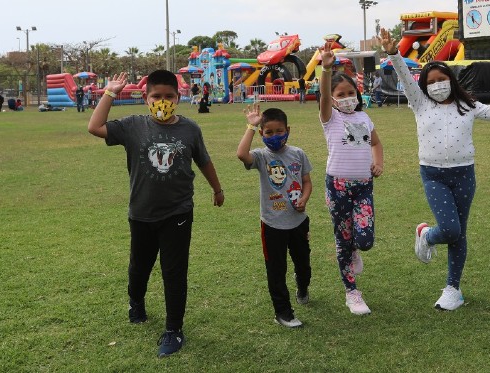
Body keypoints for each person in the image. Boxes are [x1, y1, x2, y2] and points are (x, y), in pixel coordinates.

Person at [378, 28, 490, 311]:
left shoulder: (468, 105)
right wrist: (393, 52)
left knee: (460, 233)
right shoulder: (419, 104)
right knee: (448, 228)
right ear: (424, 87)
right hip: (433, 174)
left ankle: (453, 288)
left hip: (464, 175)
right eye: (431, 82)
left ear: (451, 80)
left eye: (441, 79)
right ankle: (426, 235)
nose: (437, 85)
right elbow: (405, 78)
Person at [87, 70, 225, 357]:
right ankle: (136, 302)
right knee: (139, 267)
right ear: (146, 98)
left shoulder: (190, 129)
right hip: (141, 213)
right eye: (156, 97)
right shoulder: (132, 126)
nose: (163, 102)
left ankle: (174, 329)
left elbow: (204, 160)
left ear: (179, 97)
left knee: (174, 272)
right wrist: (110, 93)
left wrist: (217, 188)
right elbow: (95, 127)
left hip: (178, 212)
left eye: (169, 96)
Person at [319, 41, 384, 315]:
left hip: (363, 186)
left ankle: (357, 246)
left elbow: (376, 143)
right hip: (337, 186)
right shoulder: (330, 118)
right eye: (340, 94)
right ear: (333, 99)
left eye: (350, 93)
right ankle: (352, 292)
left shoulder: (364, 117)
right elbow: (322, 96)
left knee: (365, 239)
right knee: (342, 238)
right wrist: (326, 69)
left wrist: (378, 162)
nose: (347, 97)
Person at [237, 104, 313, 328]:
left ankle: (303, 285)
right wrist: (251, 125)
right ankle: (283, 312)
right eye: (268, 132)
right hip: (272, 225)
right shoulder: (261, 156)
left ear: (288, 130)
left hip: (298, 222)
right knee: (276, 269)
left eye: (279, 131)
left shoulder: (298, 154)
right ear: (262, 134)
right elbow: (241, 154)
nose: (274, 136)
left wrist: (304, 199)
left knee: (304, 264)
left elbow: (307, 182)